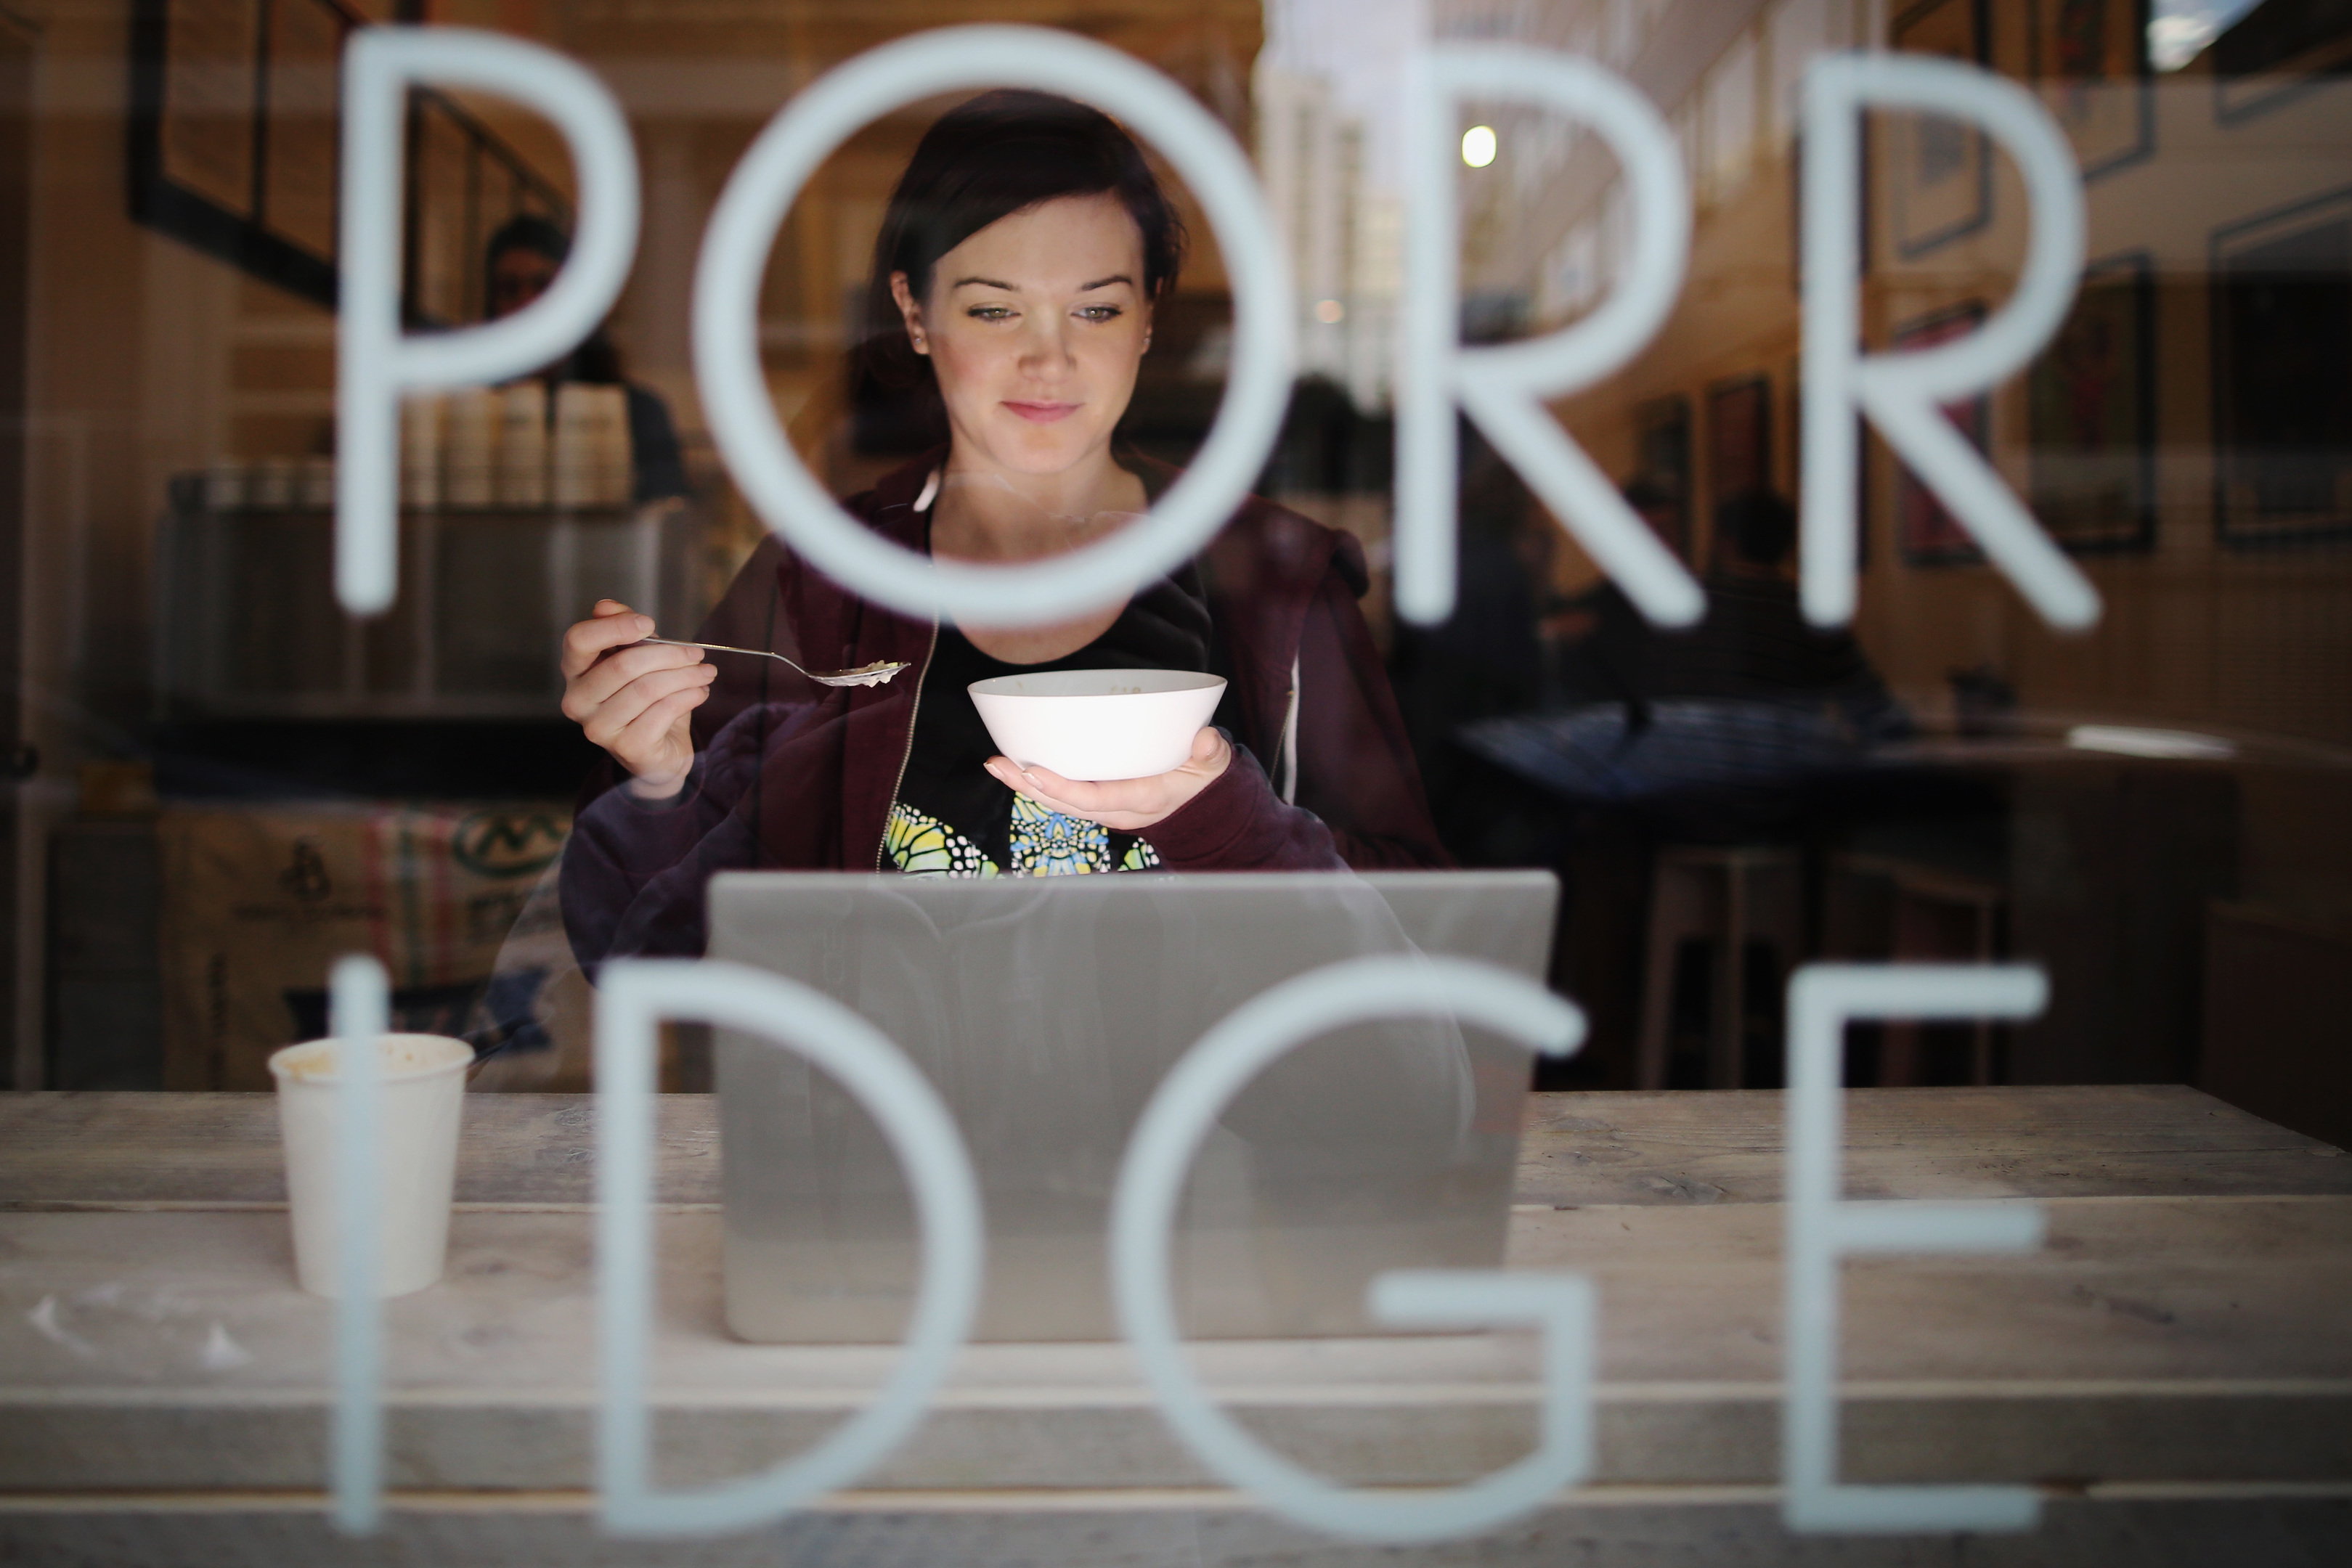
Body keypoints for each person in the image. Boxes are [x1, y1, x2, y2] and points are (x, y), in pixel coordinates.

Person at [555, 91, 1446, 975]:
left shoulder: (1271, 580)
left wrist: (1226, 822)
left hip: (1193, 1117)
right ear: (913, 313)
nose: (1048, 359)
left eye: (1095, 309)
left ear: (1147, 317)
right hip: (879, 1114)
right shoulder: (820, 579)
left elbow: (1425, 926)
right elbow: (645, 959)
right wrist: (658, 781)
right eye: (993, 309)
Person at [484, 213, 690, 504]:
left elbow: (664, 516)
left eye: (544, 286)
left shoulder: (637, 413)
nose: (527, 303)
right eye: (510, 289)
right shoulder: (476, 411)